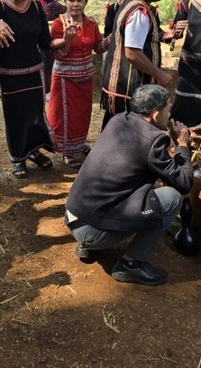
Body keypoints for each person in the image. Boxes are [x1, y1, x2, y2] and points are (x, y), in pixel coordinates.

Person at [65, 85, 193, 285]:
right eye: (168, 110)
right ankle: (132, 264)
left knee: (147, 187)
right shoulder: (154, 140)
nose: (170, 115)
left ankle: (89, 246)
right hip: (92, 232)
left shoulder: (118, 120)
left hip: (74, 216)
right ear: (155, 114)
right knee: (173, 197)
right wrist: (182, 146)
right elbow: (184, 183)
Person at [0, 0, 55, 178]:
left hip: (34, 70)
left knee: (34, 114)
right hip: (10, 72)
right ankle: (18, 157)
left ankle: (34, 150)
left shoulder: (37, 7)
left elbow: (45, 41)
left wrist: (65, 42)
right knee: (15, 115)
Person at [101, 0, 171, 129]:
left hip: (120, 87)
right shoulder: (139, 12)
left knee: (115, 129)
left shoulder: (129, 3)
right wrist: (159, 74)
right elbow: (132, 53)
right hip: (130, 88)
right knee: (127, 132)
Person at [47, 0, 108, 168]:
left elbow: (98, 48)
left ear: (85, 2)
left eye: (79, 0)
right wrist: (67, 40)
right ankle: (67, 152)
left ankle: (79, 145)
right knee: (66, 116)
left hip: (86, 78)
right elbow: (56, 54)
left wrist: (113, 37)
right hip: (65, 80)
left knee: (82, 114)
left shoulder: (91, 23)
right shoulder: (59, 23)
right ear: (65, 2)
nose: (75, 4)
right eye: (71, 0)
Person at [35, 0, 66, 96]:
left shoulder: (37, 2)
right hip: (52, 37)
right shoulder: (54, 5)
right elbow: (65, 9)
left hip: (39, 38)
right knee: (50, 65)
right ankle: (48, 90)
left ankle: (43, 88)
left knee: (43, 64)